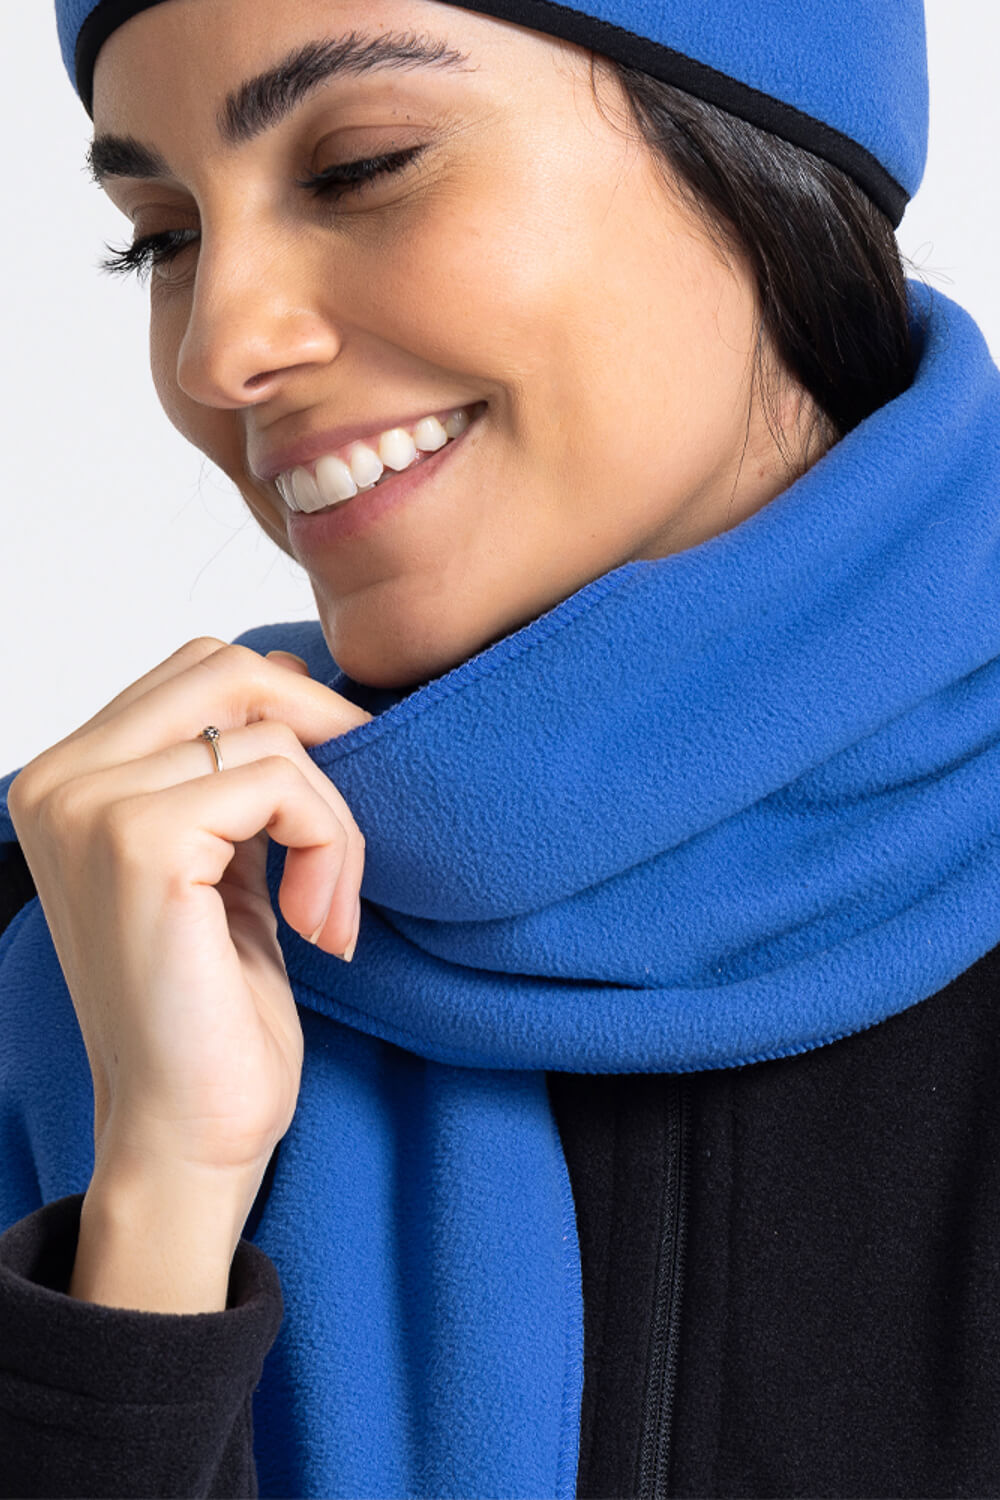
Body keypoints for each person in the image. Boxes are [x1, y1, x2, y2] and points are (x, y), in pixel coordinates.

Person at [1, 0, 999, 1495]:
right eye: (165, 239)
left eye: (363, 167)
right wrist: (148, 1217)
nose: (220, 352)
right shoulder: (90, 946)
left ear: (759, 151)